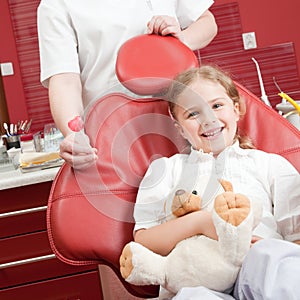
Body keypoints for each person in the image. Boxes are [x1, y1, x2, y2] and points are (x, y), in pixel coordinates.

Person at [132, 65, 300, 299]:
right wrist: (202, 222)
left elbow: (295, 238)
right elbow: (144, 241)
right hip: (198, 279)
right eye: (193, 114)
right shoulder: (166, 169)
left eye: (217, 106)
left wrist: (268, 249)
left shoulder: (270, 164)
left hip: (258, 271)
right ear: (180, 128)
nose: (208, 119)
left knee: (271, 256)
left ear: (236, 108)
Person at [37, 0, 218, 170]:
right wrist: (73, 135)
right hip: (113, 134)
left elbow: (207, 22)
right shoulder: (56, 4)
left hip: (179, 123)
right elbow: (64, 79)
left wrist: (180, 40)